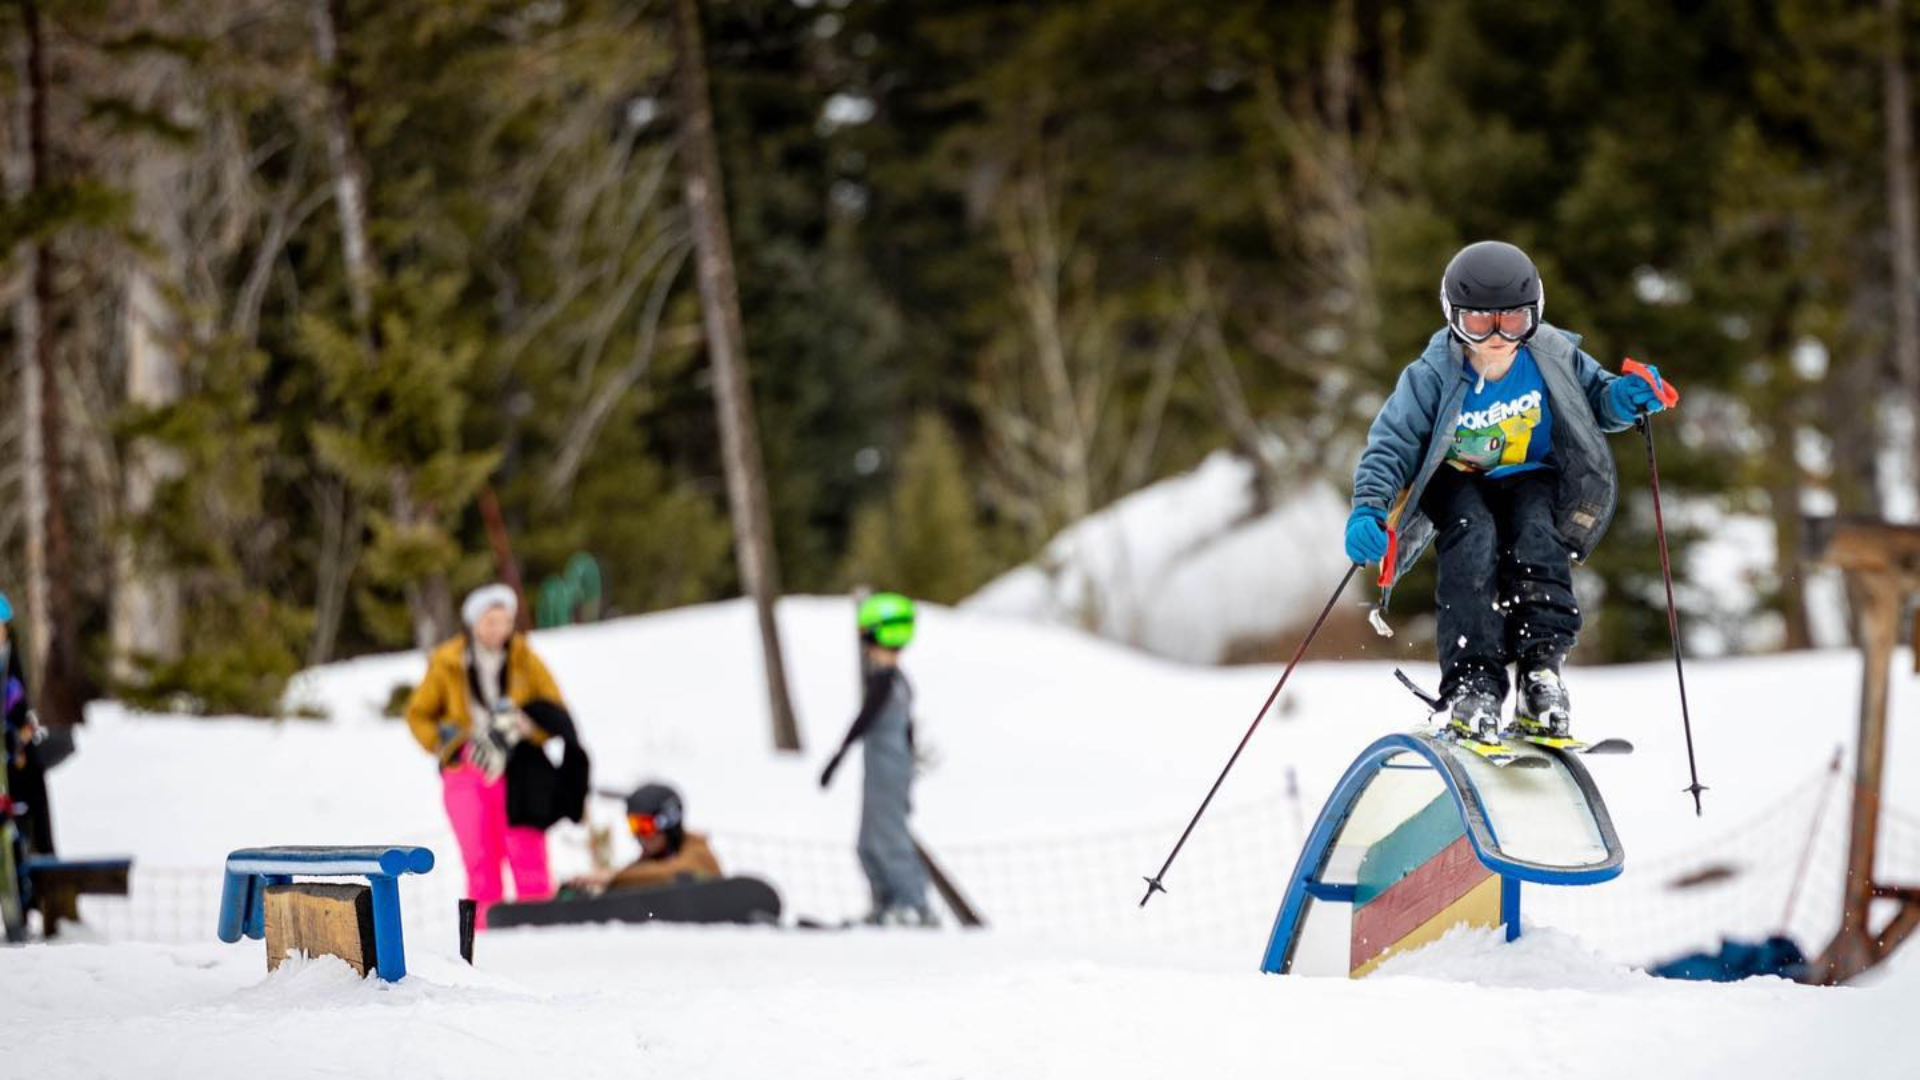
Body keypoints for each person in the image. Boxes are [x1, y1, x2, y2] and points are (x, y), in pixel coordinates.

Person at [1345, 241, 1676, 743]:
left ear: (1534, 315)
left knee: (1537, 537)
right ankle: (1473, 683)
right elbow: (1392, 444)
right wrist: (1370, 507)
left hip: (1529, 473)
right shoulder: (1431, 374)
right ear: (1453, 317)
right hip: (1456, 477)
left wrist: (1625, 399)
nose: (1498, 336)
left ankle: (1542, 670)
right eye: (1479, 322)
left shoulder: (1553, 354)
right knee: (1473, 537)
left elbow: (1597, 401)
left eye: (1514, 321)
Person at [405, 584, 563, 923]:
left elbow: (555, 709)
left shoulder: (524, 658)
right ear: (474, 622)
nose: (498, 630)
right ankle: (484, 935)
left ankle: (542, 931)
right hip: (467, 769)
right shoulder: (447, 661)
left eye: (505, 621)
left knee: (528, 855)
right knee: (480, 860)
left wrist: (528, 726)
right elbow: (418, 715)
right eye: (491, 622)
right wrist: (446, 744)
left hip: (520, 769)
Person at [820, 592, 933, 926]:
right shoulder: (898, 681)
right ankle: (886, 901)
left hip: (887, 770)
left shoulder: (886, 681)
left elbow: (864, 720)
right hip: (885, 771)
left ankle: (912, 904)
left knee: (888, 838)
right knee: (868, 841)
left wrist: (837, 757)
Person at [565, 783, 722, 895]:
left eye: (645, 826)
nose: (640, 835)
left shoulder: (698, 852)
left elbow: (674, 872)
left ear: (668, 823)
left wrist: (613, 877)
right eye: (634, 825)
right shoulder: (643, 864)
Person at [1, 592, 56, 858]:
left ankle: (44, 858)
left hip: (13, 751)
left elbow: (19, 708)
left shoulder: (10, 661)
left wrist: (22, 731)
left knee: (33, 771)